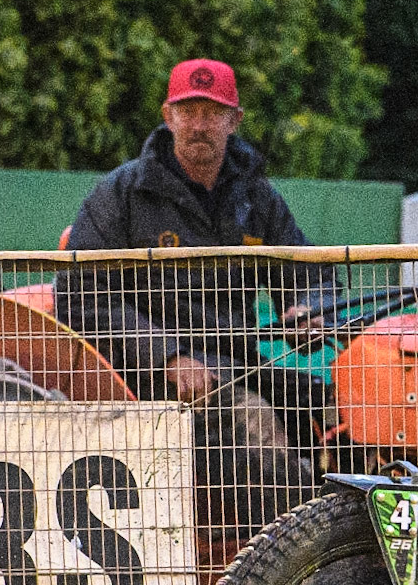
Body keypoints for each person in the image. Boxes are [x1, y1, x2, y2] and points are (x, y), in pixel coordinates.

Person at [54, 59, 331, 545]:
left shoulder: (257, 198)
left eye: (212, 112)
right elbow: (80, 296)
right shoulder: (121, 194)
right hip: (143, 377)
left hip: (238, 363)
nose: (199, 125)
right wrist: (165, 354)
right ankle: (301, 562)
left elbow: (303, 270)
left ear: (234, 120)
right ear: (168, 115)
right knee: (255, 424)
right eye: (188, 111)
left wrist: (307, 307)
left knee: (341, 408)